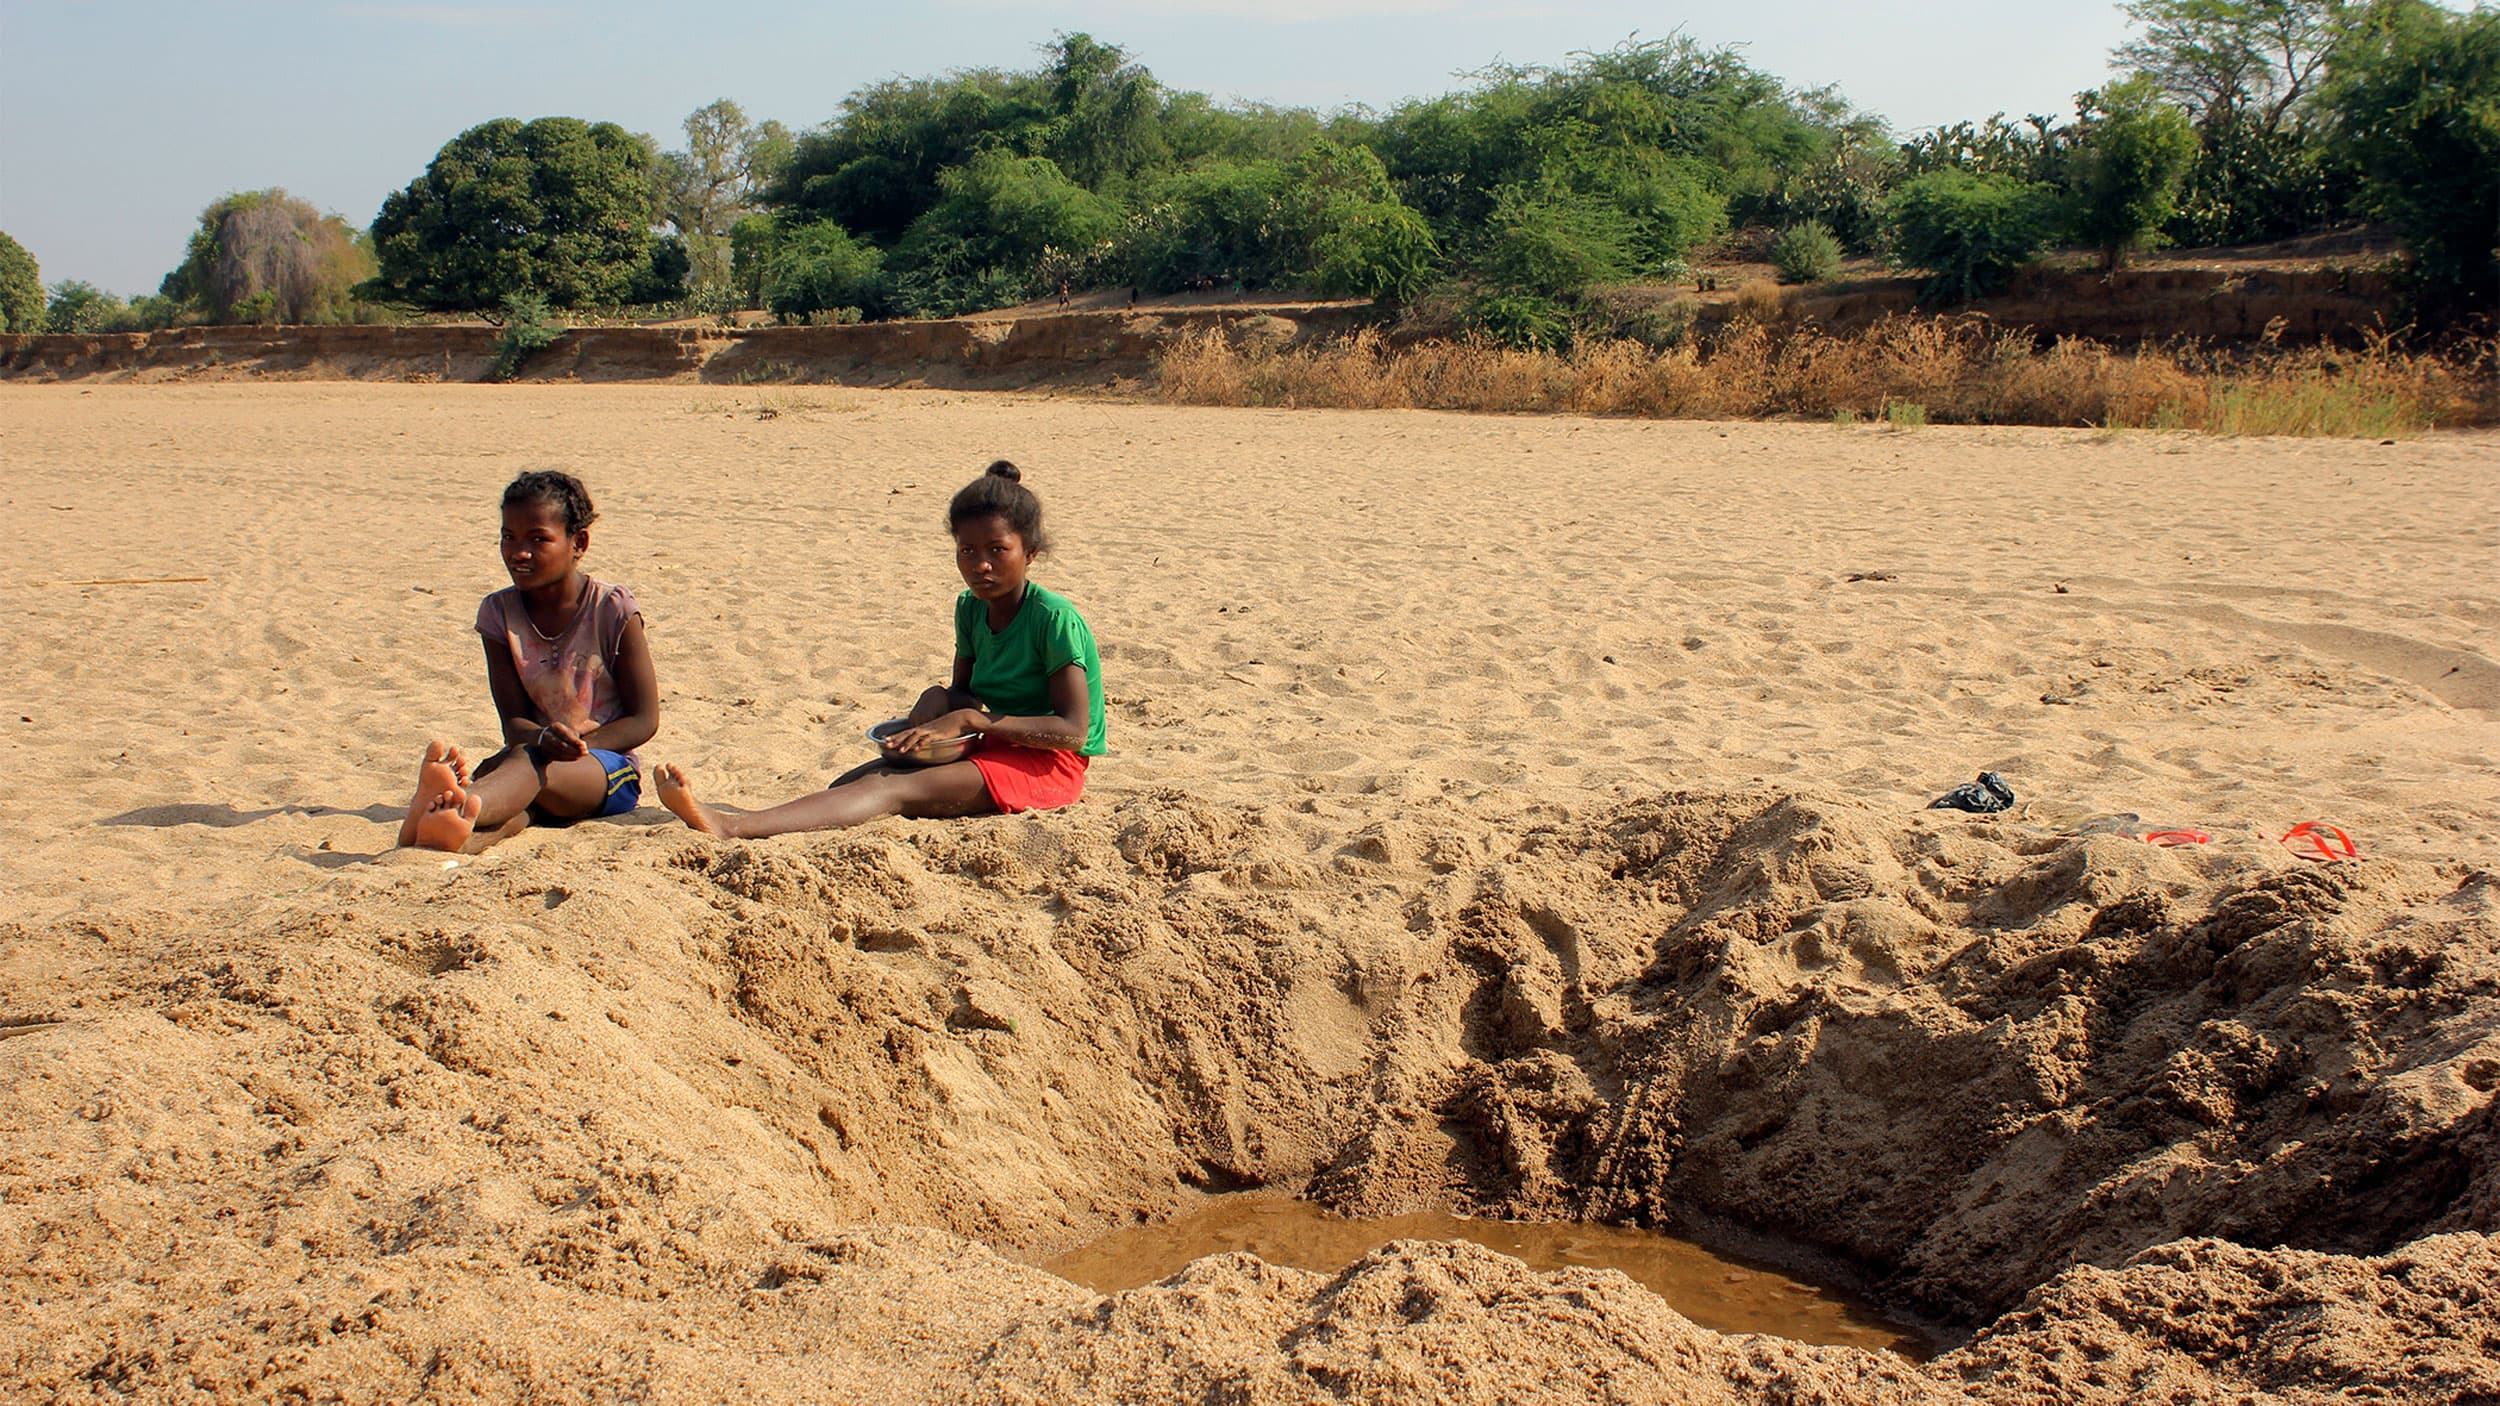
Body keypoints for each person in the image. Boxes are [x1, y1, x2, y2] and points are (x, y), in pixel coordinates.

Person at [656, 460, 1104, 838]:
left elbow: (1072, 731)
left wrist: (970, 718)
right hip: (997, 745)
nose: (980, 565)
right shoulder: (970, 608)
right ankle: (751, 820)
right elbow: (967, 693)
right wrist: (945, 698)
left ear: (1031, 553)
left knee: (891, 789)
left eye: (997, 550)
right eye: (967, 550)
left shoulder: (1052, 617)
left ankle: (732, 827)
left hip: (1051, 766)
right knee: (855, 780)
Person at [397, 470, 659, 851]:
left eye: (538, 539)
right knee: (520, 806)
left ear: (578, 542)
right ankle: (443, 837)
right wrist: (541, 740)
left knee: (526, 770)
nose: (519, 552)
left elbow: (644, 719)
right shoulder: (498, 614)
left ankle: (464, 803)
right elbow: (513, 721)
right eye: (509, 537)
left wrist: (577, 746)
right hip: (529, 758)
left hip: (605, 769)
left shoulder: (612, 609)